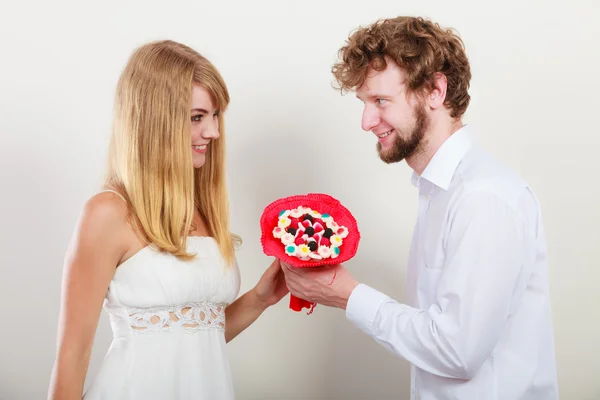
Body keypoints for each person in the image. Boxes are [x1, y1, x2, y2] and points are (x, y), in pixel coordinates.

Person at [281, 16, 558, 399]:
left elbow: (457, 351)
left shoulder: (484, 197)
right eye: (364, 103)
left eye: (380, 101)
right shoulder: (438, 191)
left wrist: (349, 295)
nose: (366, 121)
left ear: (435, 91)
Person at [47, 40, 288, 400]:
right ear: (154, 119)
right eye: (197, 117)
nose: (213, 132)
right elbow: (72, 358)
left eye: (215, 115)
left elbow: (197, 337)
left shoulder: (200, 209)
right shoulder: (108, 213)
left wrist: (258, 298)